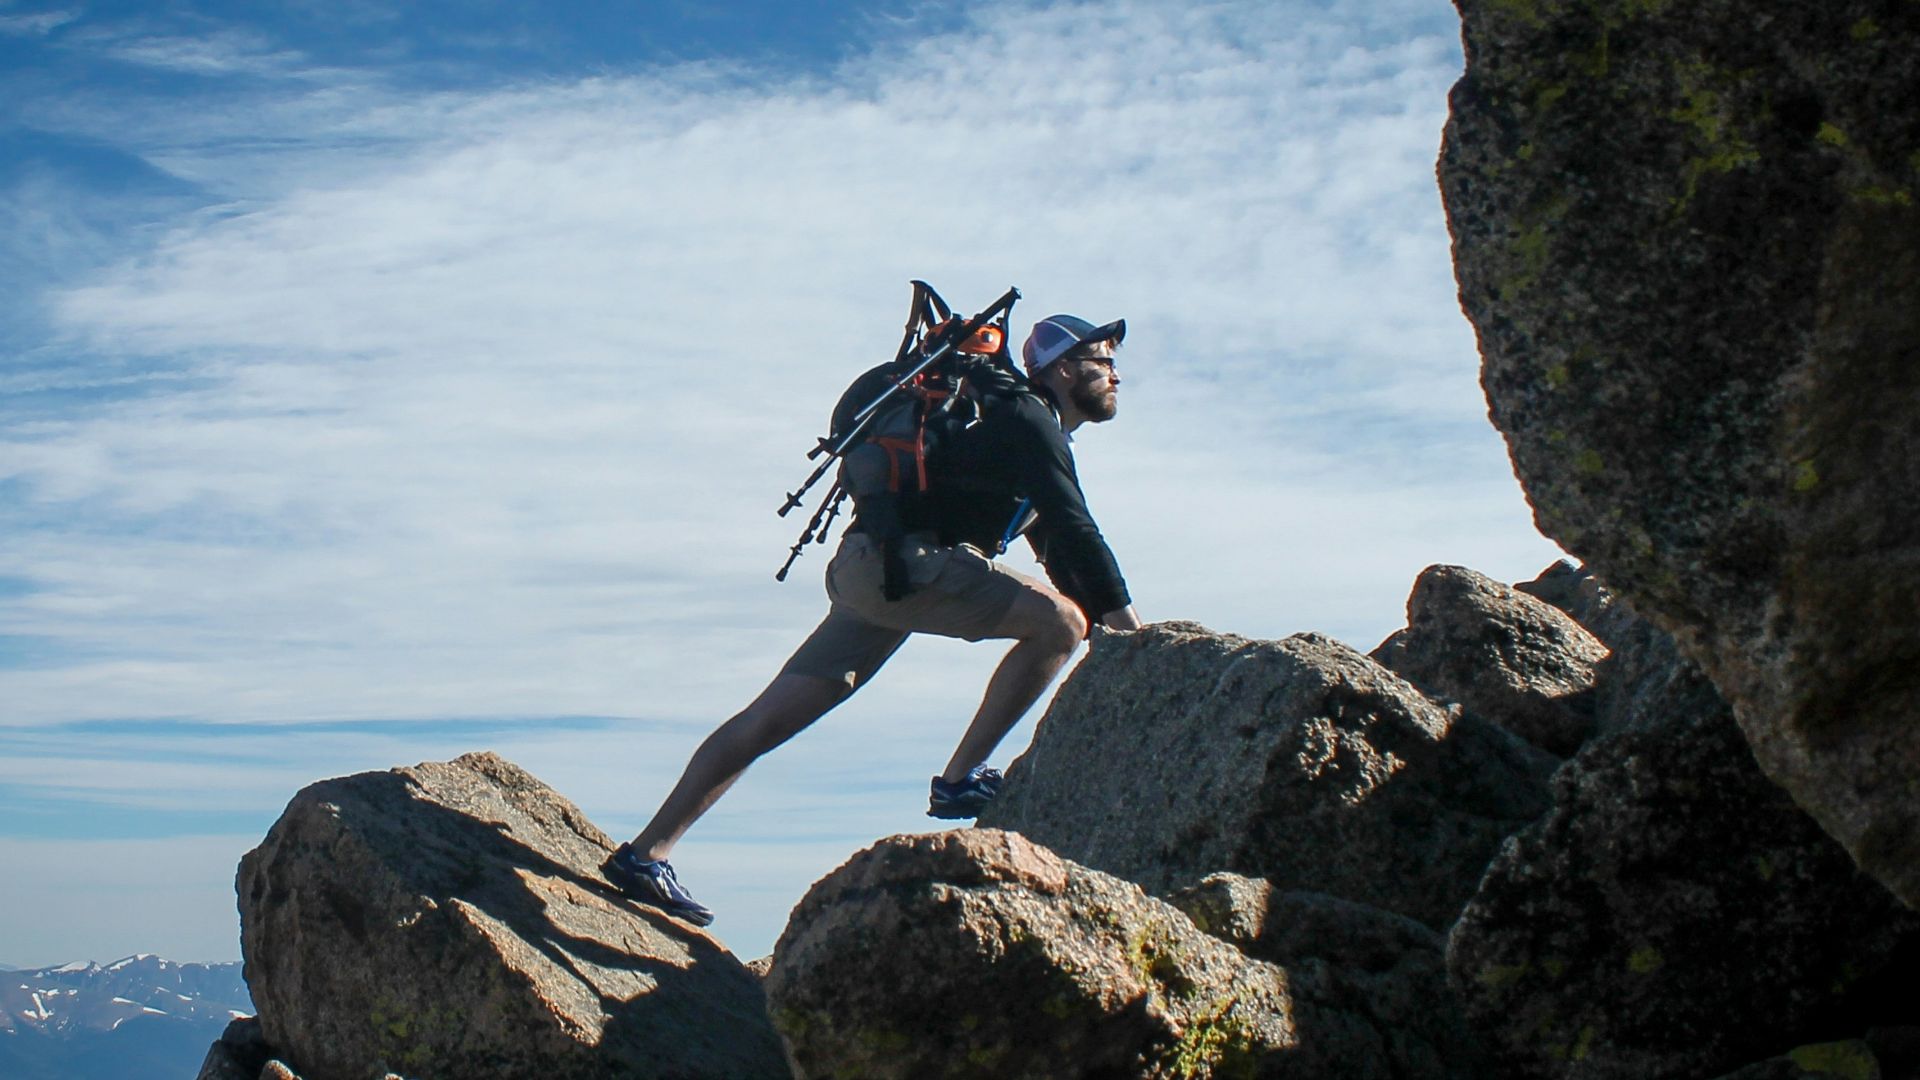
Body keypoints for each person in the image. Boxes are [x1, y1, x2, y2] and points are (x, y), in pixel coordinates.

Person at [604, 313, 1144, 926]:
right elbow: (1077, 531)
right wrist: (1134, 638)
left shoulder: (1015, 423)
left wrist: (1116, 626)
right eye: (1104, 361)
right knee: (1059, 624)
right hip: (902, 567)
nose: (1117, 374)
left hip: (874, 568)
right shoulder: (1027, 419)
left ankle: (646, 854)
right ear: (1064, 368)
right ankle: (960, 779)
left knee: (768, 718)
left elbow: (1060, 547)